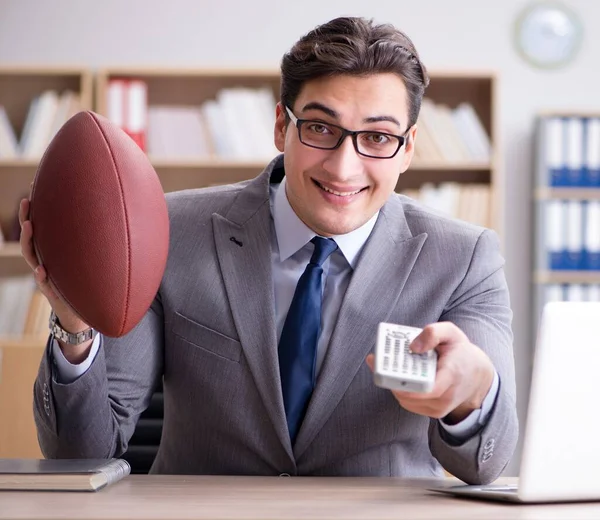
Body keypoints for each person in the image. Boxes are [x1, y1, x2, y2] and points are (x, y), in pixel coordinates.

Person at [21, 16, 517, 483]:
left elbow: (484, 465)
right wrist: (76, 322)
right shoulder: (171, 231)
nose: (344, 168)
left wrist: (472, 396)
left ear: (408, 148)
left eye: (378, 137)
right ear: (282, 126)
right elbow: (82, 454)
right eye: (321, 128)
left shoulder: (464, 258)